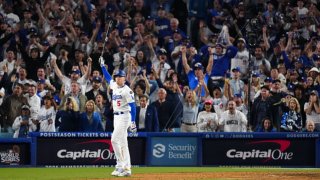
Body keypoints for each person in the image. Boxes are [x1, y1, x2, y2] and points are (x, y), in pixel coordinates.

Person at [100, 56, 136, 177]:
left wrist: (133, 121)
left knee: (114, 140)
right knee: (123, 143)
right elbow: (108, 77)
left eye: (119, 77)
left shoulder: (127, 90)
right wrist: (102, 66)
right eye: (116, 77)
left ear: (124, 78)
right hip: (116, 117)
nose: (117, 78)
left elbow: (133, 106)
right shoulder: (114, 85)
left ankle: (120, 165)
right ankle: (127, 169)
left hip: (125, 116)